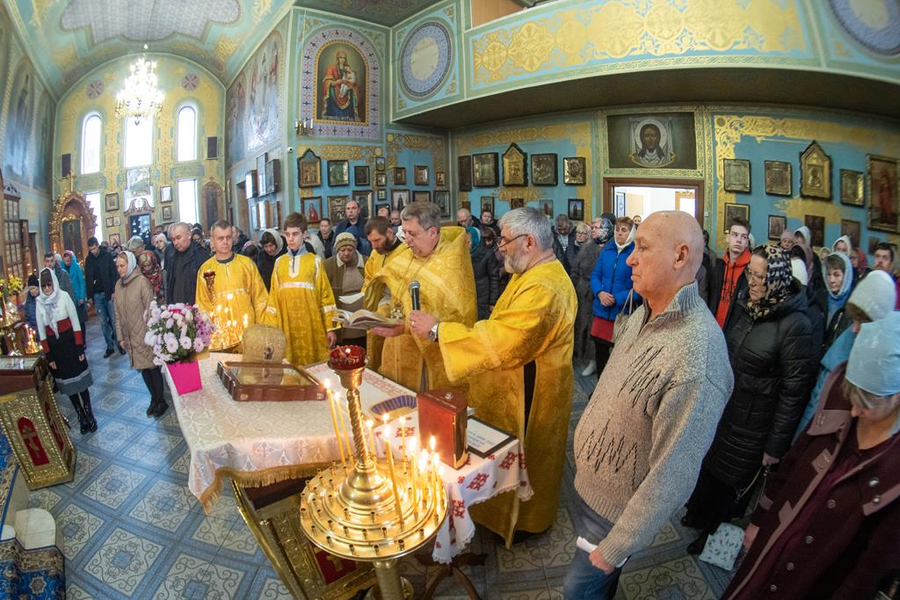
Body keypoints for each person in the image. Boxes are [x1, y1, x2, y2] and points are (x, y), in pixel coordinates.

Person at [567, 212, 733, 598]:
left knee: (578, 590)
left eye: (642, 248)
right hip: (592, 490)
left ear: (680, 257)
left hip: (613, 516)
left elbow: (673, 474)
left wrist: (616, 548)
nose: (630, 259)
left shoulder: (698, 355)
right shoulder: (645, 311)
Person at [408, 207, 577, 545]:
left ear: (528, 242)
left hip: (532, 388)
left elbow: (506, 338)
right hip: (520, 380)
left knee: (528, 452)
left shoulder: (545, 287)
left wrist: (439, 330)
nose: (499, 246)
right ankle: (496, 506)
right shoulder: (530, 274)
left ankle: (523, 521)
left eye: (504, 239)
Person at [723, 312, 900, 599]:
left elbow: (872, 568)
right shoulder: (841, 398)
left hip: (812, 583)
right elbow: (794, 462)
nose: (854, 412)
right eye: (854, 396)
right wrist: (759, 519)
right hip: (771, 552)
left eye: (868, 403)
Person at [683, 245, 813, 555]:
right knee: (712, 468)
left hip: (756, 425)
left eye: (759, 276)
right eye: (750, 274)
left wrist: (774, 447)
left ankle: (713, 537)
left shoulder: (796, 326)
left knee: (733, 485)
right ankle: (699, 516)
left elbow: (794, 394)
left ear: (778, 280)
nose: (750, 282)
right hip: (729, 411)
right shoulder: (752, 307)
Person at [371, 202, 476, 392]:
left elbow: (456, 319)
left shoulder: (452, 264)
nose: (407, 240)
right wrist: (383, 312)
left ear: (433, 232)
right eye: (404, 232)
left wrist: (405, 327)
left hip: (428, 363)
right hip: (397, 351)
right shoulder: (406, 255)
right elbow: (390, 293)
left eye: (413, 234)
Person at [794, 269, 897, 439]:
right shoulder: (846, 340)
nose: (855, 328)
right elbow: (818, 397)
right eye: (853, 319)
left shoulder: (886, 367)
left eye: (863, 321)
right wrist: (800, 439)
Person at [264, 212, 338, 366]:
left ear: (305, 234)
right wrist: (271, 331)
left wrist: (331, 328)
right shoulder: (279, 263)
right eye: (287, 234)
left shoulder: (315, 262)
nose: (290, 239)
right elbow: (273, 300)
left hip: (312, 326)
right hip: (286, 328)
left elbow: (326, 297)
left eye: (295, 234)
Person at [37, 268, 96, 434]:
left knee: (81, 382)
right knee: (68, 385)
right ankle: (80, 415)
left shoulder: (63, 296)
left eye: (49, 285)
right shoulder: (39, 303)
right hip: (57, 352)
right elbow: (42, 333)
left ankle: (89, 412)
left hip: (71, 347)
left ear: (54, 283)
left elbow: (76, 323)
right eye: (44, 286)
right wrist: (49, 357)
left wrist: (79, 348)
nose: (47, 289)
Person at [114, 251, 168, 417]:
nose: (119, 269)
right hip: (130, 336)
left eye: (122, 266)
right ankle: (154, 398)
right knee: (142, 368)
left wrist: (151, 335)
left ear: (130, 264)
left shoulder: (142, 282)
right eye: (117, 266)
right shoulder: (118, 285)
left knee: (152, 368)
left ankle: (161, 401)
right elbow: (117, 313)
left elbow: (151, 309)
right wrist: (120, 337)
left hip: (144, 335)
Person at [195, 221, 269, 335]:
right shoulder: (205, 270)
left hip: (248, 332)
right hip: (220, 335)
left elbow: (260, 300)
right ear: (212, 240)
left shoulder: (247, 264)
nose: (225, 242)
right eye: (220, 238)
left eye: (228, 237)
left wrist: (262, 330)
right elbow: (203, 306)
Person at [589, 217, 640, 378]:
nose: (619, 233)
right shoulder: (607, 250)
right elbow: (595, 276)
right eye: (617, 229)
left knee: (618, 359)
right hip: (602, 311)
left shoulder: (636, 253)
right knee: (600, 355)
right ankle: (599, 390)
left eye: (624, 230)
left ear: (631, 232)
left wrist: (617, 298)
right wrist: (600, 293)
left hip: (621, 313)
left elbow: (639, 286)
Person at [363, 216, 405, 371]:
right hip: (376, 308)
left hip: (397, 311)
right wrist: (364, 298)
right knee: (372, 341)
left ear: (389, 232)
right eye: (371, 242)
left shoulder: (405, 253)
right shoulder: (376, 254)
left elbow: (403, 290)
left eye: (377, 240)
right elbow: (368, 279)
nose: (373, 246)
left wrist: (387, 312)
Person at [572, 215, 613, 376]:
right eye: (593, 228)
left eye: (597, 228)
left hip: (599, 293)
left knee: (594, 328)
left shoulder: (610, 248)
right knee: (581, 324)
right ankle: (580, 355)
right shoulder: (588, 246)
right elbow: (576, 267)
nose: (593, 230)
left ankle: (593, 361)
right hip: (583, 290)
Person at [325, 232, 367, 347]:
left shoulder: (367, 262)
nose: (346, 253)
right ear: (337, 250)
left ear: (355, 248)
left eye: (350, 249)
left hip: (363, 324)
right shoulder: (328, 265)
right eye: (342, 250)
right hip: (342, 326)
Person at [84, 237, 123, 358]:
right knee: (103, 322)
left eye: (94, 248)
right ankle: (109, 346)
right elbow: (88, 278)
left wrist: (113, 291)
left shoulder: (106, 256)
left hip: (108, 293)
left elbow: (113, 274)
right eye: (90, 250)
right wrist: (89, 295)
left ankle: (120, 344)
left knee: (113, 319)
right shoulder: (88, 260)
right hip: (96, 294)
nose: (93, 251)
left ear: (97, 245)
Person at [709, 217, 751, 328]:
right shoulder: (718, 267)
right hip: (714, 328)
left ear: (747, 242)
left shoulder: (751, 271)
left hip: (734, 332)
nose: (738, 240)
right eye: (735, 235)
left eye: (743, 237)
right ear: (728, 238)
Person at [164, 223, 209, 305]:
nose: (176, 243)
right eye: (173, 240)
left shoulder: (201, 254)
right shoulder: (171, 255)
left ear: (189, 235)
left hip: (195, 307)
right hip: (175, 308)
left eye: (178, 238)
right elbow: (169, 283)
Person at [466, 226, 499, 320]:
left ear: (476, 239)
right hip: (470, 296)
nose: (466, 244)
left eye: (469, 241)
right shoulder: (464, 254)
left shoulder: (488, 254)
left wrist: (493, 302)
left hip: (483, 296)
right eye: (465, 241)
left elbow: (494, 278)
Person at [823, 251, 854, 350]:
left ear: (846, 275)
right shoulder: (821, 299)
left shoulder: (853, 303)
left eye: (836, 275)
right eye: (828, 274)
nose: (831, 280)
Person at [126, 236, 164, 304]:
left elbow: (159, 271)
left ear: (140, 248)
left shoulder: (153, 255)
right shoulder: (135, 260)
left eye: (134, 251)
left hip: (157, 288)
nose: (133, 254)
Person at [62, 250, 87, 331]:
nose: (67, 262)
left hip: (77, 297)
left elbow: (81, 282)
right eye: (65, 260)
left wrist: (82, 296)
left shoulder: (76, 267)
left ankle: (83, 340)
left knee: (80, 320)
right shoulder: (62, 269)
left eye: (68, 260)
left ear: (71, 259)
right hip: (68, 297)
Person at [873, 242, 900, 309]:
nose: (880, 261)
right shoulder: (867, 280)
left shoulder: (894, 289)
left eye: (885, 258)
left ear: (890, 264)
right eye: (877, 256)